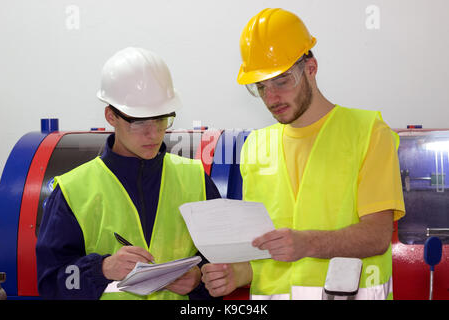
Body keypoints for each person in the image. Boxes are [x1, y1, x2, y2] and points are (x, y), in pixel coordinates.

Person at [201, 8, 405, 300]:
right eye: (261, 87)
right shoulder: (255, 147)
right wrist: (238, 274)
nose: (271, 98)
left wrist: (307, 244)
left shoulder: (369, 132)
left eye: (282, 81)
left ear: (311, 68)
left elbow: (377, 236)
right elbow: (264, 255)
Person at [36, 47, 221, 300]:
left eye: (161, 119)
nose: (154, 133)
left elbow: (223, 267)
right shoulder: (72, 191)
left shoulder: (197, 180)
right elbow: (52, 283)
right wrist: (102, 269)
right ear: (111, 116)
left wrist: (200, 278)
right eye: (139, 120)